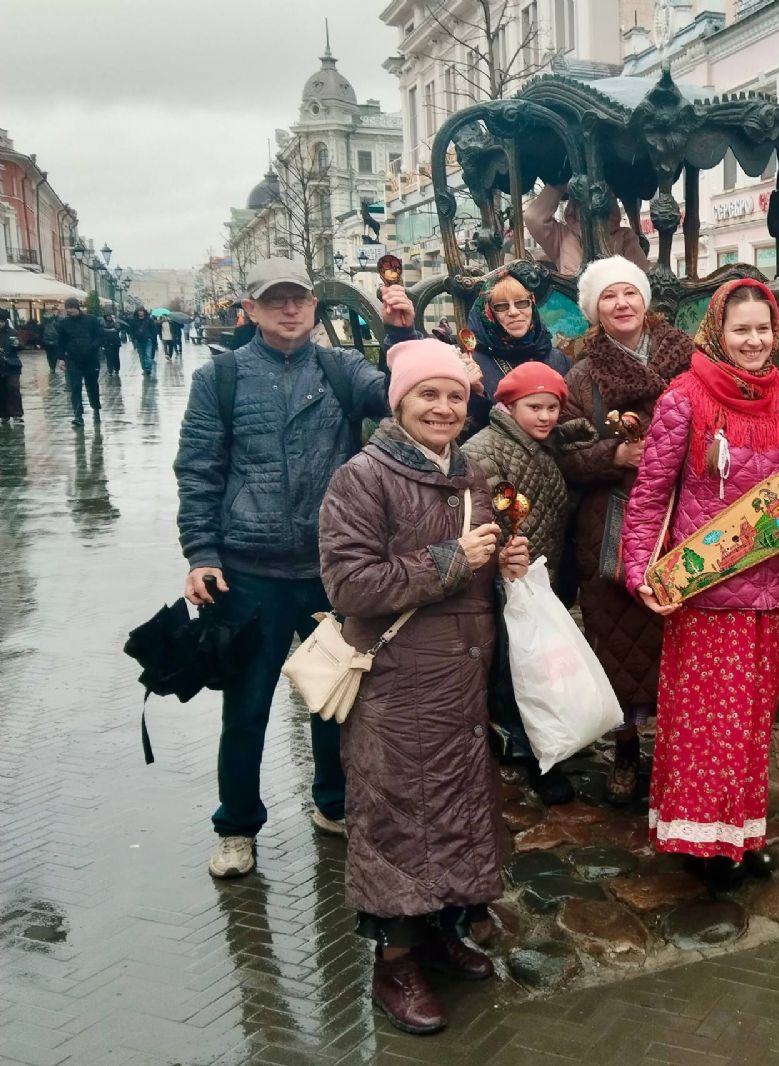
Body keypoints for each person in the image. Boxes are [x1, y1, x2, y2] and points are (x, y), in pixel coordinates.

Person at [318, 339, 526, 1035]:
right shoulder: (362, 478)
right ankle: (394, 963)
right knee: (400, 817)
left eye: (453, 397)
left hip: (461, 684)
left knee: (460, 808)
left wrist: (505, 560)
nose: (442, 408)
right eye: (427, 395)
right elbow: (349, 585)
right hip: (398, 684)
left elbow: (479, 562)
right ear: (399, 401)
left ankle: (442, 931)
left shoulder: (470, 472)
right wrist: (448, 560)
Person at [173, 257, 390, 881]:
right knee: (246, 708)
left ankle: (334, 803)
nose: (289, 310)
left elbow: (397, 394)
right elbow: (200, 471)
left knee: (333, 698)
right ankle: (237, 825)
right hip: (250, 570)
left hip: (330, 567)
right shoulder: (222, 377)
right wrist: (202, 554)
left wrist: (400, 337)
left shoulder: (338, 368)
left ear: (314, 308)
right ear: (251, 310)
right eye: (275, 301)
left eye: (298, 299)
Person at [621, 278, 779, 890]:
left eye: (763, 329)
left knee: (753, 723)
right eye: (741, 329)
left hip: (773, 592)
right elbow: (650, 495)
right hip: (708, 594)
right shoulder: (685, 398)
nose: (754, 341)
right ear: (717, 333)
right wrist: (639, 569)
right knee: (707, 725)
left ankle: (742, 832)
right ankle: (699, 839)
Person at [558, 256, 696, 803]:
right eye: (609, 297)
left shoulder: (686, 360)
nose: (622, 304)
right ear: (596, 310)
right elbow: (565, 453)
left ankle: (680, 750)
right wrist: (617, 452)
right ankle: (626, 749)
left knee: (680, 638)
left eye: (629, 294)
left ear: (646, 302)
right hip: (609, 522)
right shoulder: (583, 376)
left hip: (682, 514)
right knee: (616, 640)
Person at [461, 361, 596, 804]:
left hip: (540, 575)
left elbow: (561, 438)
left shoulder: (539, 443)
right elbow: (494, 509)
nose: (545, 417)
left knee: (536, 664)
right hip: (508, 579)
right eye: (534, 406)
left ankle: (533, 743)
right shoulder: (487, 450)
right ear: (508, 406)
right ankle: (529, 753)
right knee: (516, 671)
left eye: (552, 407)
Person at [381, 260, 566, 440]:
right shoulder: (469, 361)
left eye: (521, 303)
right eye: (501, 306)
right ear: (488, 314)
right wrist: (476, 395)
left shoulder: (557, 359)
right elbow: (454, 430)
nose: (513, 312)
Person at [523, 179, 650, 275]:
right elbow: (533, 218)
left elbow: (640, 275)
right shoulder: (562, 236)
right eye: (584, 201)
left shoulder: (624, 236)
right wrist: (560, 186)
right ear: (575, 206)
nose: (592, 207)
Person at [56, 297, 106, 427]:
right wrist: (61, 358)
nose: (69, 312)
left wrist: (92, 346)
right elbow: (61, 341)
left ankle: (95, 407)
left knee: (92, 385)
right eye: (67, 309)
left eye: (71, 309)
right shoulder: (64, 323)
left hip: (90, 358)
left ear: (77, 307)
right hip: (73, 359)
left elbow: (100, 336)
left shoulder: (91, 320)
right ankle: (78, 415)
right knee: (75, 386)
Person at [0, 310, 22, 424]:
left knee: (13, 387)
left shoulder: (12, 332)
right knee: (2, 390)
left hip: (12, 365)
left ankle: (17, 414)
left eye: (1, 321)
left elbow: (20, 347)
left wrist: (17, 344)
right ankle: (4, 414)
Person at [129, 307, 160, 375]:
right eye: (139, 311)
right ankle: (144, 369)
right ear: (137, 312)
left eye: (142, 311)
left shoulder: (149, 320)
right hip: (139, 340)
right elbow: (131, 331)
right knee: (141, 356)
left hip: (148, 340)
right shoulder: (134, 320)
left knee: (148, 355)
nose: (140, 312)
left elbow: (154, 330)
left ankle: (148, 368)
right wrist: (133, 338)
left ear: (144, 312)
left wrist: (151, 337)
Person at [99, 313, 122, 377]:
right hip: (107, 343)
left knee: (116, 356)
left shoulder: (115, 322)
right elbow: (101, 331)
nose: (109, 317)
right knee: (109, 357)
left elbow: (118, 328)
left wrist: (115, 322)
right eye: (107, 316)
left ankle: (117, 369)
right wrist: (110, 330)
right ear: (105, 317)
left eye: (110, 316)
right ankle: (110, 370)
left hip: (115, 342)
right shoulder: (102, 323)